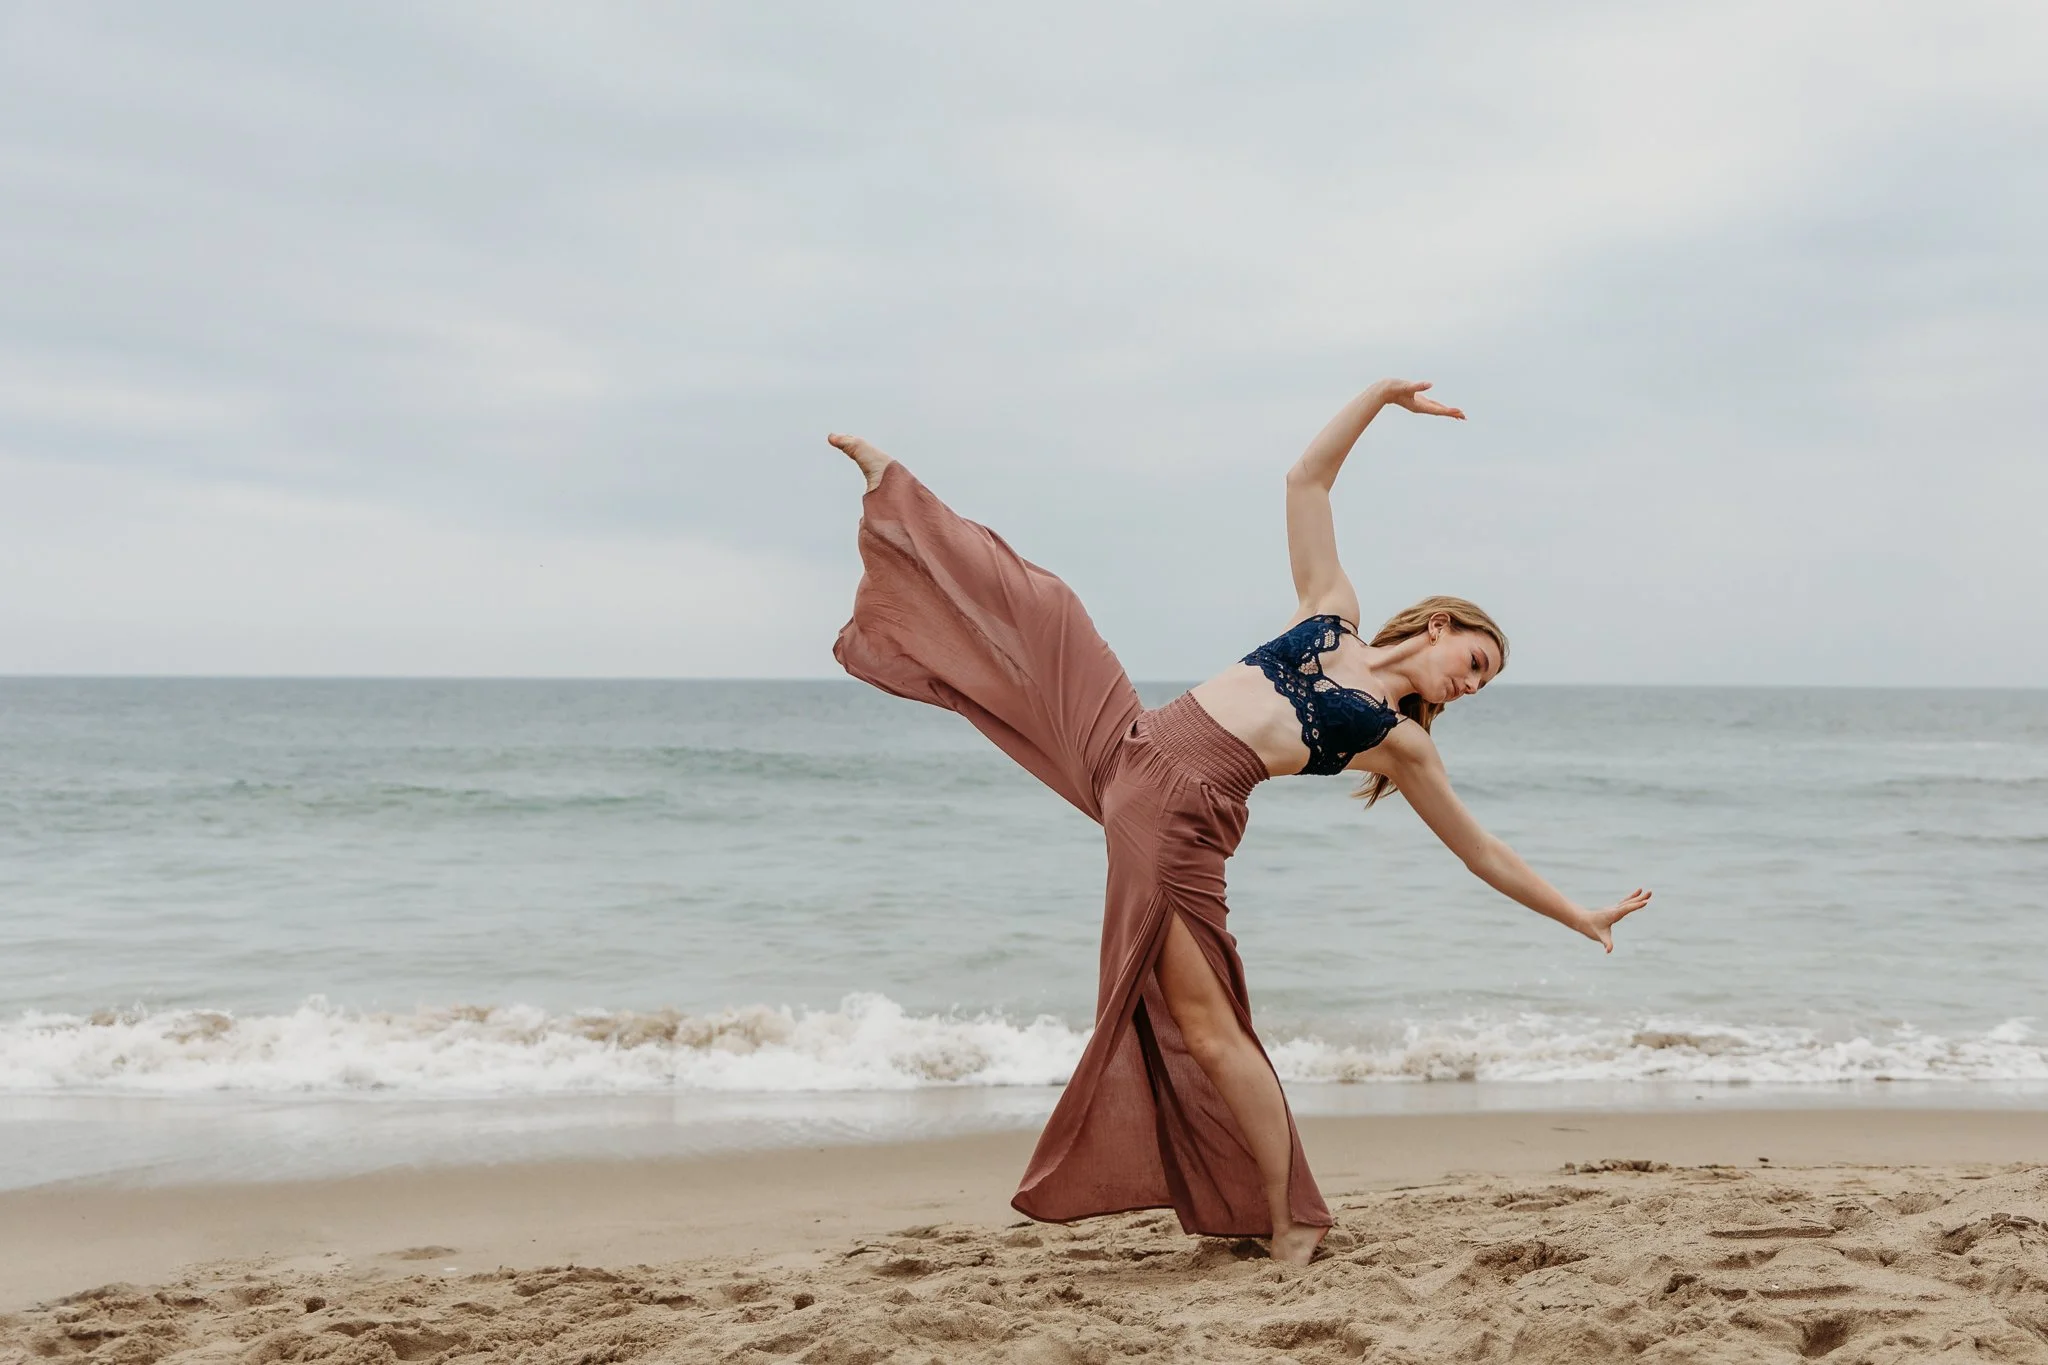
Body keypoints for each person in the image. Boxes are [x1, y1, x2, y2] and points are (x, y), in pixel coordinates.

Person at [829, 379, 1652, 1266]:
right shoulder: (1331, 611)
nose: (1472, 682)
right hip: (1129, 747)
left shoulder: (1397, 742)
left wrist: (1578, 912)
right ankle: (896, 493)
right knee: (1051, 607)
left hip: (1179, 818)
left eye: (1483, 683)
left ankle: (1292, 1216)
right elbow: (1306, 479)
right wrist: (1378, 397)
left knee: (1213, 1030)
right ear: (1443, 625)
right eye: (1476, 661)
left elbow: (1479, 849)